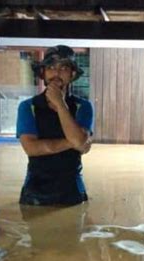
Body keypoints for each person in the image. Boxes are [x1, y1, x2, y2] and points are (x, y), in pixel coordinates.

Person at [16, 45, 94, 206]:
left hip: (72, 191)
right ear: (43, 73)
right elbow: (31, 148)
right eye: (50, 67)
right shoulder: (27, 106)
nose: (56, 73)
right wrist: (73, 142)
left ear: (72, 74)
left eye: (63, 68)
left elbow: (81, 145)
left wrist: (60, 104)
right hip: (34, 193)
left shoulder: (83, 106)